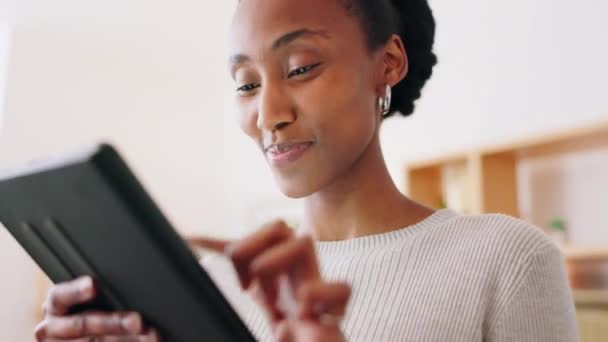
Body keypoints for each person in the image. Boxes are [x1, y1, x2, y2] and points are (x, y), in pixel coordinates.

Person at [34, 0, 579, 341]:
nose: (268, 114)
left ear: (387, 62)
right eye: (246, 83)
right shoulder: (214, 286)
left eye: (300, 68)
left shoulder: (507, 261)